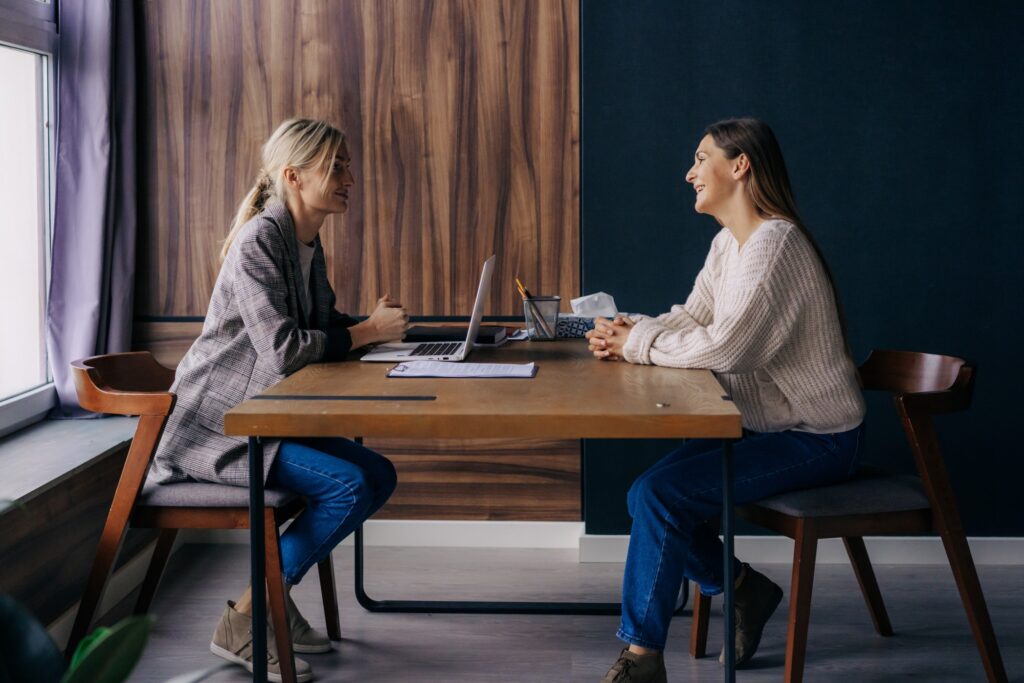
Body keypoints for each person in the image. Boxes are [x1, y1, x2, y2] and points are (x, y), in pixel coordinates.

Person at [589, 118, 866, 683]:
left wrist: (637, 344)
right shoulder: (730, 243)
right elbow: (695, 318)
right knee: (649, 495)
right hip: (767, 428)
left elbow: (729, 346)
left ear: (740, 166)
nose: (689, 172)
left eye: (700, 158)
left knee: (661, 495)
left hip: (818, 436)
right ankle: (744, 588)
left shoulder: (775, 245)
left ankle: (641, 658)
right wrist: (630, 328)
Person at [150, 118, 408, 682]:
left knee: (378, 474)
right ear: (294, 175)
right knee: (350, 484)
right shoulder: (260, 240)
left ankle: (273, 595)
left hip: (263, 419)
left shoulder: (305, 243)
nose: (350, 177)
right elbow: (286, 351)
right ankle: (246, 615)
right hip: (217, 427)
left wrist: (375, 329)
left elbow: (317, 326)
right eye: (335, 166)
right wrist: (366, 332)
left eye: (347, 164)